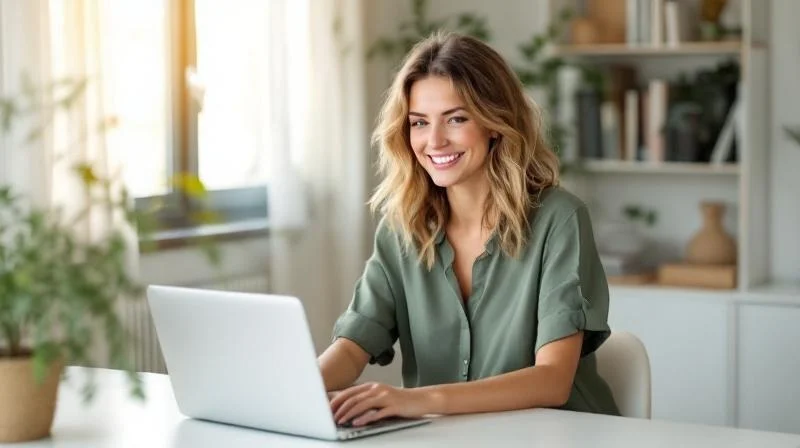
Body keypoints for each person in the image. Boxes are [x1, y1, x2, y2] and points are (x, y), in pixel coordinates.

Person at [318, 31, 619, 427]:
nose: (434, 140)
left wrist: (413, 400)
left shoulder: (559, 219)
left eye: (457, 119)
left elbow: (553, 380)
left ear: (496, 123)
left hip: (558, 435)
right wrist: (294, 392)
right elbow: (353, 345)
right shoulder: (402, 228)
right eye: (419, 123)